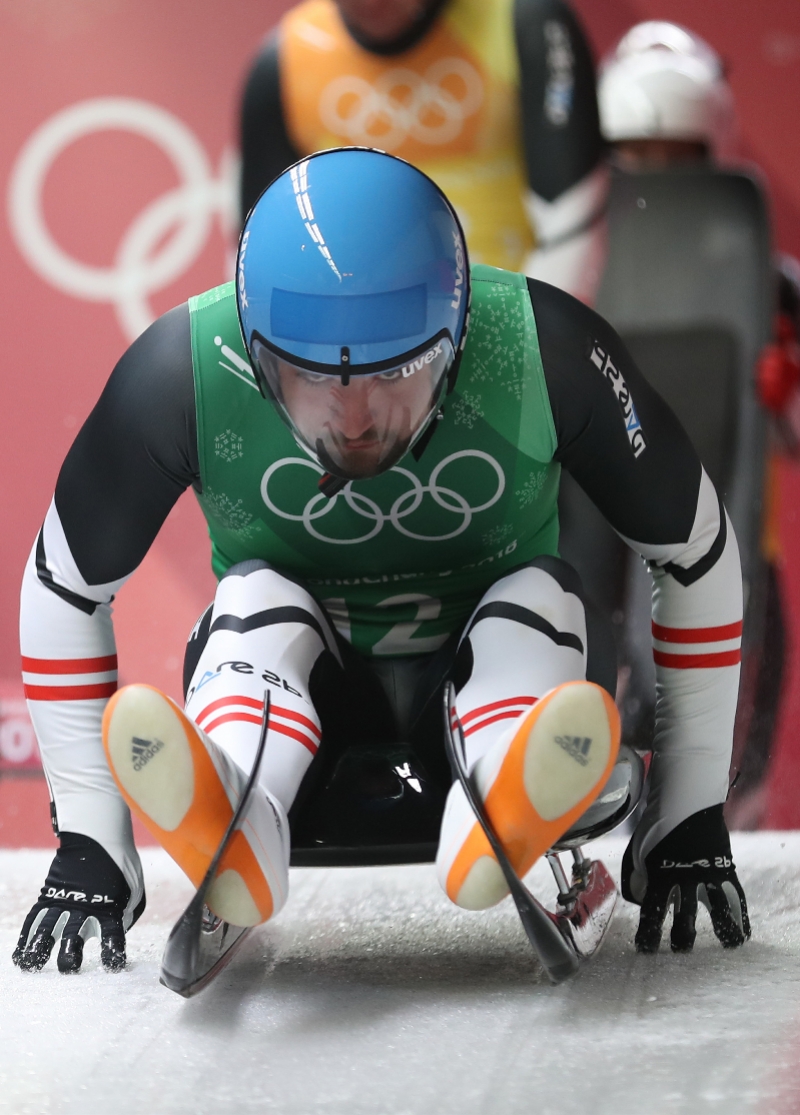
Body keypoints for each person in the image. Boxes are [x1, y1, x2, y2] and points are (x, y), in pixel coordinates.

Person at [14, 148, 749, 976]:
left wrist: (687, 810)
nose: (355, 419)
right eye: (309, 379)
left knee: (535, 595)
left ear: (462, 331)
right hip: (302, 692)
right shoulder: (179, 369)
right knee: (257, 597)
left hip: (499, 663)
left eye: (398, 372)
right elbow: (64, 584)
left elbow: (695, 551)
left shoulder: (546, 347)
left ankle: (504, 779)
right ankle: (243, 806)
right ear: (253, 353)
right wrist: (90, 838)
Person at [590, 20, 799, 823]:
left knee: (726, 755)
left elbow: (788, 438)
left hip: (735, 547)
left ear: (709, 144)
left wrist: (784, 397)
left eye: (672, 156)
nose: (651, 175)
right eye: (635, 156)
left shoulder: (770, 284)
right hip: (605, 543)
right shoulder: (579, 262)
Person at [239, 0, 607, 302]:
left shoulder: (526, 19)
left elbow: (572, 221)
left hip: (507, 318)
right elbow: (256, 266)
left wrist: (519, 346)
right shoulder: (285, 57)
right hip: (362, 352)